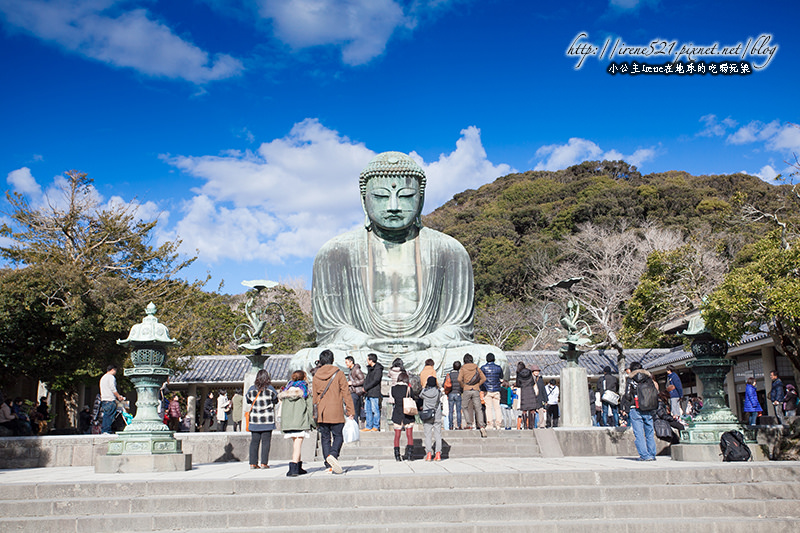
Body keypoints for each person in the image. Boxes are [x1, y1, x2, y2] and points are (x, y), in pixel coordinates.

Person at [292, 151, 504, 377]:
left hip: (427, 351)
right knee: (303, 361)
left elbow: (458, 328)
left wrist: (426, 342)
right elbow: (332, 329)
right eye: (382, 197)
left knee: (494, 357)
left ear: (420, 199)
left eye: (406, 196)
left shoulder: (450, 250)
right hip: (366, 351)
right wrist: (368, 341)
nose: (393, 206)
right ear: (364, 200)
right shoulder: (334, 252)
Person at [313, 349, 356, 474]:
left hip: (322, 412)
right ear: (332, 360)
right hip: (336, 410)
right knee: (338, 436)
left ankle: (328, 464)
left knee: (325, 438)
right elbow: (346, 393)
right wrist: (350, 410)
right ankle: (333, 455)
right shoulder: (339, 373)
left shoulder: (316, 375)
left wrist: (314, 413)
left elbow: (314, 397)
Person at [279, 370, 315, 477]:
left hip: (288, 422)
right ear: (304, 378)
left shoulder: (286, 391)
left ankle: (298, 466)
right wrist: (313, 422)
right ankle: (294, 467)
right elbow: (310, 408)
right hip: (300, 420)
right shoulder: (304, 391)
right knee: (298, 444)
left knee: (296, 444)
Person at [622, 361, 658, 461]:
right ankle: (652, 454)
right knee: (649, 431)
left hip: (635, 407)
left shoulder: (631, 379)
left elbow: (628, 395)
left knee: (639, 433)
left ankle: (644, 455)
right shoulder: (648, 378)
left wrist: (626, 406)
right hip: (648, 407)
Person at [246, 369, 278, 469]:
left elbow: (248, 400)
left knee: (254, 442)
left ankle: (253, 463)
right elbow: (275, 400)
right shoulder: (270, 389)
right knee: (266, 442)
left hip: (255, 419)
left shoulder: (251, 389)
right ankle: (264, 463)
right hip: (267, 419)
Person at [391, 370, 417, 461]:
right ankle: (410, 455)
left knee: (397, 435)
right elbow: (413, 398)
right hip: (407, 413)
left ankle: (397, 455)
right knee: (409, 435)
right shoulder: (409, 389)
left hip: (397, 413)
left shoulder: (393, 389)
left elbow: (394, 397)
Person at [458, 354, 487, 437]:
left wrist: (463, 385)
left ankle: (469, 423)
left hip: (467, 389)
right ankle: (481, 425)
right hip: (476, 390)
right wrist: (477, 384)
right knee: (478, 408)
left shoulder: (463, 368)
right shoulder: (476, 367)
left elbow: (459, 379)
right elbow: (484, 378)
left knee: (464, 407)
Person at [420, 376, 443, 461]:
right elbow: (441, 394)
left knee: (428, 435)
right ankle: (438, 454)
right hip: (437, 415)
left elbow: (420, 395)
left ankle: (428, 454)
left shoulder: (424, 392)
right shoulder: (438, 392)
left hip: (427, 415)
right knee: (438, 435)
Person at [99, 365, 125, 434]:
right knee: (109, 416)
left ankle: (104, 430)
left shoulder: (103, 377)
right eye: (115, 370)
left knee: (106, 415)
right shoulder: (111, 377)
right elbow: (113, 388)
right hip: (110, 399)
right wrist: (119, 396)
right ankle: (106, 430)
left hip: (104, 399)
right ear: (113, 370)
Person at [480, 353, 503, 430]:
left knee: (488, 408)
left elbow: (481, 379)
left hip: (487, 390)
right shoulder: (498, 368)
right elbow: (501, 377)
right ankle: (498, 424)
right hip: (496, 390)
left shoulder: (483, 368)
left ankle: (490, 424)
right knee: (497, 408)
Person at [362, 353, 383, 432]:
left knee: (375, 410)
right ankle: (368, 425)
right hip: (368, 392)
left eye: (368, 359)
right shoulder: (370, 368)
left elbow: (376, 380)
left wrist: (366, 387)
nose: (367, 361)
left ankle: (376, 426)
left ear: (371, 360)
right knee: (368, 410)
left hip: (374, 392)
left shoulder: (378, 369)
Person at [345, 355, 366, 426]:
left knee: (354, 411)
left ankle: (355, 426)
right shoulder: (351, 370)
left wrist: (352, 383)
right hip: (352, 391)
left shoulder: (356, 370)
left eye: (347, 362)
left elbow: (362, 380)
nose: (346, 364)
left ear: (351, 362)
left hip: (355, 392)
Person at [516, 362, 536, 430]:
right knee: (532, 410)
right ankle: (532, 425)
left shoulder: (519, 374)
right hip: (530, 390)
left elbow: (518, 384)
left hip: (524, 391)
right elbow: (533, 382)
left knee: (524, 410)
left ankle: (525, 425)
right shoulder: (529, 372)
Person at [446, 361, 463, 430]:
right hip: (458, 393)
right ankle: (459, 425)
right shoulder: (460, 375)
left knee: (450, 411)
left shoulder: (449, 375)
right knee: (458, 411)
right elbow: (462, 385)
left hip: (450, 393)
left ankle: (450, 425)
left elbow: (445, 384)